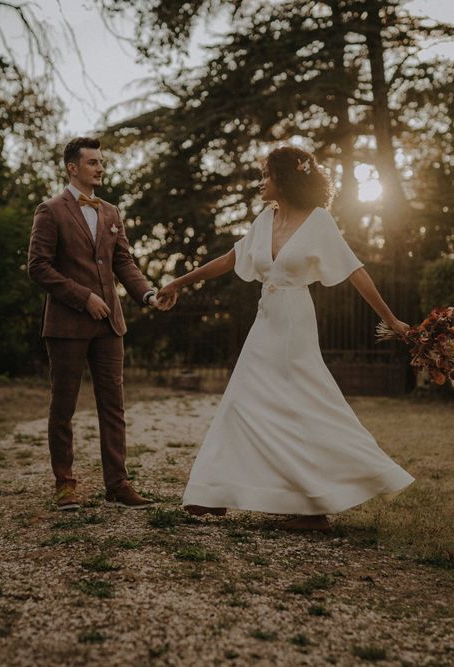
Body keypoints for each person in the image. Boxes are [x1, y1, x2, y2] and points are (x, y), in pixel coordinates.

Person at [157, 145, 415, 531]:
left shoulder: (319, 221)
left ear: (285, 179)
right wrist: (180, 281)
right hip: (265, 322)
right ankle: (213, 492)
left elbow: (355, 272)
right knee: (240, 401)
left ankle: (313, 509)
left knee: (300, 407)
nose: (260, 183)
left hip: (295, 323)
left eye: (266, 176)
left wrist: (392, 320)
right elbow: (230, 259)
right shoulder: (266, 219)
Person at [28, 136, 176, 511]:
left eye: (101, 162)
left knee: (114, 405)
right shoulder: (50, 210)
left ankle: (118, 483)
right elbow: (38, 267)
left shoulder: (110, 212)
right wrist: (83, 297)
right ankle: (65, 484)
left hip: (111, 326)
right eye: (92, 162)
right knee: (63, 406)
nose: (100, 168)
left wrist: (147, 294)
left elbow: (123, 262)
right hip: (66, 326)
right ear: (72, 167)